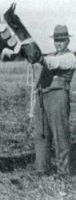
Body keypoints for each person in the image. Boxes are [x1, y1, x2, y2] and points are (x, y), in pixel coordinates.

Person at [35, 24, 76, 177]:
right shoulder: (52, 54)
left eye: (62, 40)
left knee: (60, 134)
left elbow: (53, 63)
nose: (58, 43)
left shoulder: (70, 57)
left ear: (68, 41)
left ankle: (63, 172)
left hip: (58, 95)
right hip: (42, 95)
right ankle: (41, 169)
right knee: (41, 133)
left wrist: (38, 58)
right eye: (56, 40)